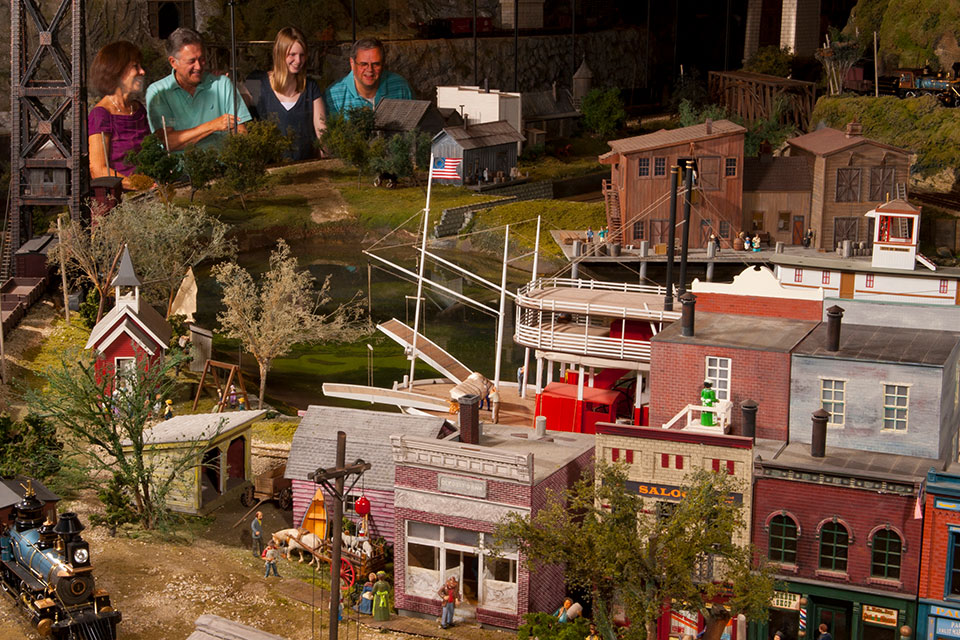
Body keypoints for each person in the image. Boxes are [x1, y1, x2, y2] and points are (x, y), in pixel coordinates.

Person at [146, 27, 252, 151]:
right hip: (179, 169)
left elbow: (240, 131)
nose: (199, 66)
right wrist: (212, 126)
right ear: (173, 62)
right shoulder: (158, 92)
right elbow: (167, 142)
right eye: (192, 61)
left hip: (223, 166)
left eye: (202, 59)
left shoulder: (222, 84)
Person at [251, 27, 326, 161]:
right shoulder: (257, 82)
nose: (298, 61)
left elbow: (322, 131)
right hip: (270, 169)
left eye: (302, 55)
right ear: (279, 53)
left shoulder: (311, 87)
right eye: (292, 54)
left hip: (306, 167)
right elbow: (237, 111)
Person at [88, 41, 150, 189]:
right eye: (136, 66)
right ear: (117, 70)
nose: (142, 72)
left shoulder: (137, 109)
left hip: (150, 189)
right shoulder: (101, 115)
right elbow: (99, 170)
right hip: (123, 197)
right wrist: (141, 185)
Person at [324, 38, 412, 118]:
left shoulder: (400, 87)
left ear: (383, 63)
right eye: (364, 64)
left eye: (376, 64)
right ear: (352, 63)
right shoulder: (334, 96)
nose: (370, 70)